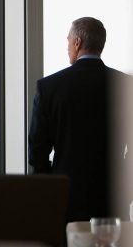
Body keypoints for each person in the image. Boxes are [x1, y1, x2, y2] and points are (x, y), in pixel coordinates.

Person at [28, 17, 132, 223]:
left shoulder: (49, 88)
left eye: (68, 41)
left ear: (77, 43)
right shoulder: (126, 86)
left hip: (67, 202)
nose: (67, 47)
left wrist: (53, 190)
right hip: (113, 201)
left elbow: (37, 154)